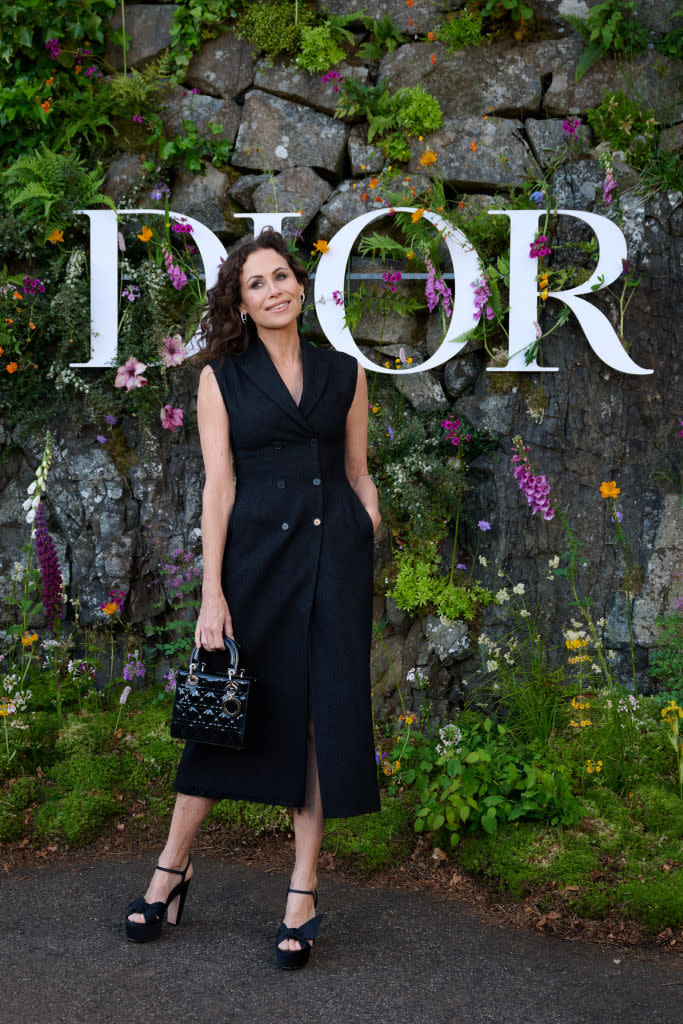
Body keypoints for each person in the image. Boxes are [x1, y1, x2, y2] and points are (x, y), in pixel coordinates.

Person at [125, 228, 382, 969]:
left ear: (301, 286)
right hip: (256, 563)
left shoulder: (344, 373)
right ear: (239, 302)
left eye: (282, 277)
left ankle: (301, 893)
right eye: (257, 283)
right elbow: (218, 488)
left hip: (333, 561)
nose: (275, 290)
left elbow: (358, 469)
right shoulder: (221, 378)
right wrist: (212, 594)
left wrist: (365, 521)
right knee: (224, 709)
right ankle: (170, 870)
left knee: (318, 721)